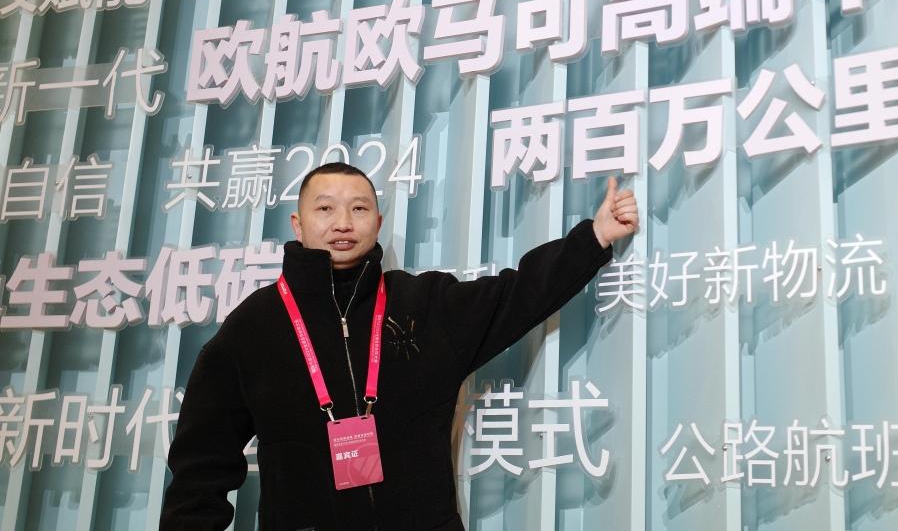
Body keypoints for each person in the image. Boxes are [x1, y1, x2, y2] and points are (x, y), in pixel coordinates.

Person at [160, 162, 639, 531]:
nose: (343, 222)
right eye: (324, 209)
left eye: (359, 208)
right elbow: (201, 467)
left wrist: (594, 238)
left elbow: (517, 295)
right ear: (298, 224)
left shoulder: (424, 304)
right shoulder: (253, 327)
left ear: (378, 221)